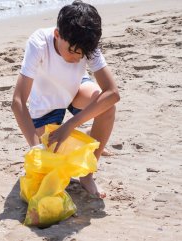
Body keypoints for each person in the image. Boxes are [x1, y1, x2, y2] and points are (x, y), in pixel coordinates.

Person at [11, 0, 120, 198]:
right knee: (52, 160)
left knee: (107, 107)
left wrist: (70, 125)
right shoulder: (39, 43)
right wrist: (36, 148)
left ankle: (88, 175)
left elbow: (112, 93)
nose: (77, 59)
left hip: (76, 90)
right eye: (72, 51)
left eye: (82, 54)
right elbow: (18, 101)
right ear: (57, 35)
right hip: (47, 105)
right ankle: (87, 135)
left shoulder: (86, 43)